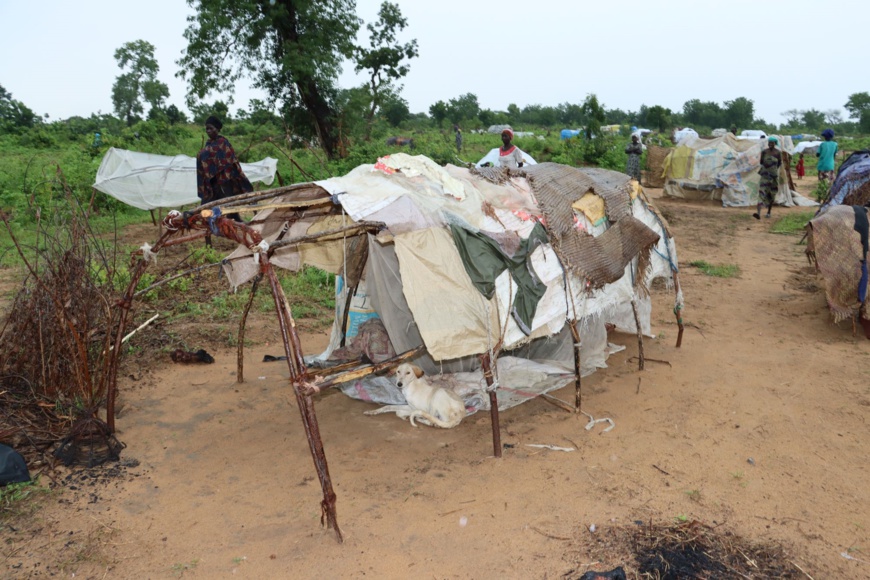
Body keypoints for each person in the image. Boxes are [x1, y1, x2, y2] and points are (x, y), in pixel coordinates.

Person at [197, 115, 252, 221]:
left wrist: (202, 154)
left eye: (211, 128)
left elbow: (229, 160)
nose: (208, 131)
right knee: (206, 207)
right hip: (212, 183)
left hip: (225, 181)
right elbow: (206, 159)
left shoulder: (223, 143)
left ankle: (241, 226)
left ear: (217, 129)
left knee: (230, 207)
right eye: (207, 129)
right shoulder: (208, 144)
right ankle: (209, 231)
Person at [754, 136, 782, 220]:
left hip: (773, 177)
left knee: (772, 194)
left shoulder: (778, 153)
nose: (770, 144)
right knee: (761, 193)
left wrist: (773, 171)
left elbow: (779, 163)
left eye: (772, 143)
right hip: (765, 176)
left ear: (775, 144)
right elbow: (761, 162)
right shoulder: (764, 152)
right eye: (769, 143)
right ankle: (758, 213)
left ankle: (769, 212)